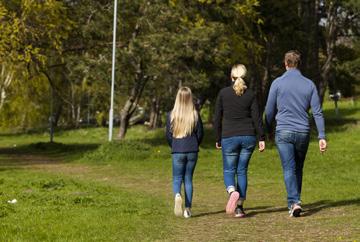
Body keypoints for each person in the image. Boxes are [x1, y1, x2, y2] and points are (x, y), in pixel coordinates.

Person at [265, 50, 327, 217]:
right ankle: (295, 201)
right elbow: (317, 112)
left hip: (283, 131)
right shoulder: (309, 84)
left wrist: (265, 128)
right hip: (302, 132)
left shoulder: (277, 83)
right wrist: (321, 135)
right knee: (297, 168)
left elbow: (269, 110)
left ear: (285, 63)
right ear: (298, 64)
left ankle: (294, 202)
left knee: (288, 168)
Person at [214, 64, 265, 218]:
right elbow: (256, 118)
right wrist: (261, 137)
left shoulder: (223, 93)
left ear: (231, 77)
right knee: (242, 171)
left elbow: (217, 118)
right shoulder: (250, 94)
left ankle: (232, 191)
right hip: (248, 136)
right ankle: (240, 208)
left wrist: (218, 138)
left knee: (229, 170)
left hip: (229, 136)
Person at [166, 87, 203, 218]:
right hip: (192, 149)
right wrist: (194, 144)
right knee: (188, 179)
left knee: (177, 178)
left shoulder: (171, 115)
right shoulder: (195, 114)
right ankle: (187, 209)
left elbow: (168, 136)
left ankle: (177, 195)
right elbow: (200, 134)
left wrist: (174, 145)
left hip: (177, 149)